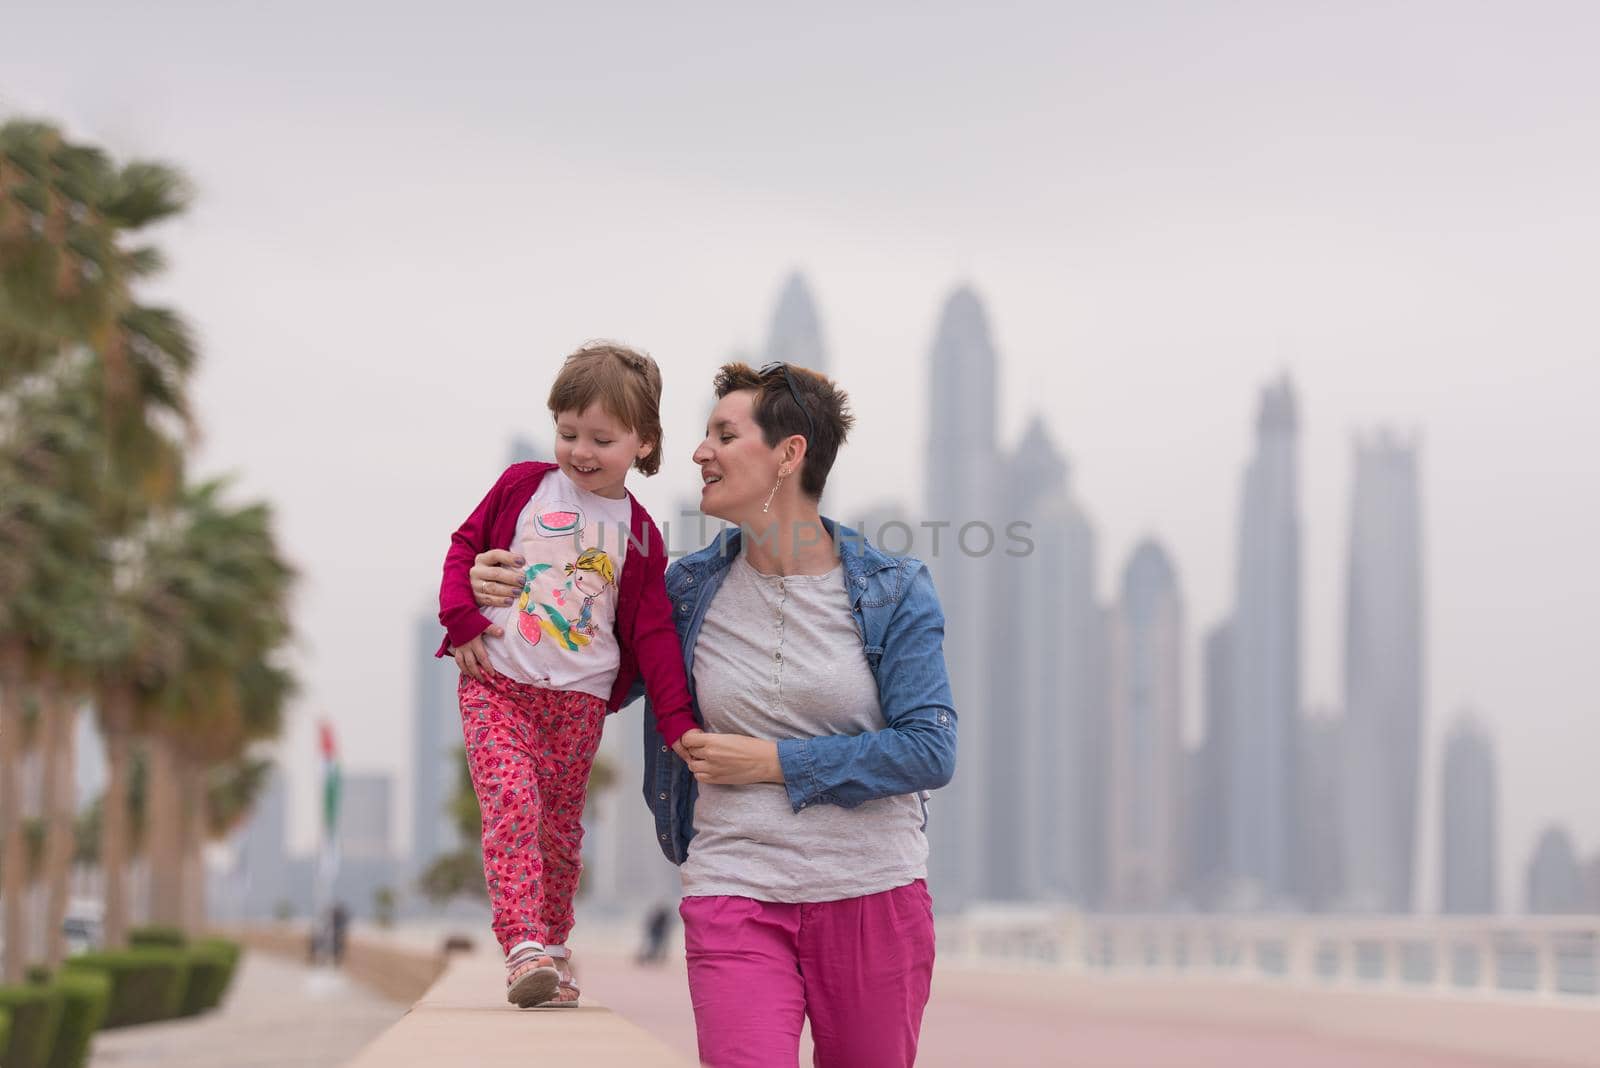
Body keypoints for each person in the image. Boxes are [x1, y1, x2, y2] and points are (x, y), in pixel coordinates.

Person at [470, 361, 957, 1065]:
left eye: (724, 434)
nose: (699, 451)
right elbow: (573, 682)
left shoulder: (894, 589)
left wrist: (774, 763)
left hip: (872, 898)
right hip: (734, 893)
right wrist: (492, 601)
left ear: (789, 455)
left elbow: (928, 751)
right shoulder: (682, 591)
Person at [437, 342, 698, 1008]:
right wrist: (463, 618)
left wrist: (675, 721)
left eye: (601, 438)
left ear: (643, 442)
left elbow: (653, 632)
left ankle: (553, 944)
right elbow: (464, 547)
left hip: (577, 706)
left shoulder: (640, 533)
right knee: (513, 806)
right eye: (568, 432)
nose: (581, 450)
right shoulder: (524, 486)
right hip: (498, 686)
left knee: (561, 831)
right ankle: (521, 942)